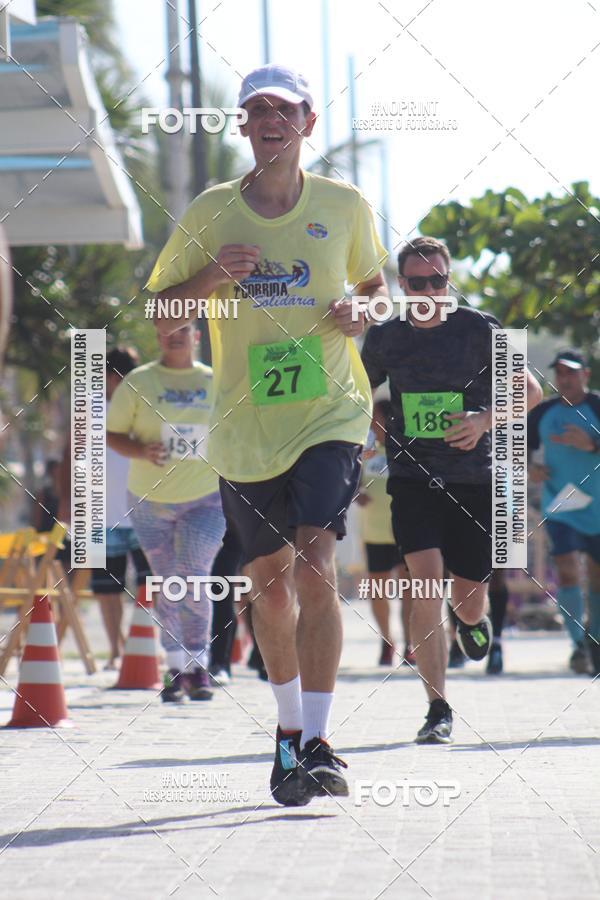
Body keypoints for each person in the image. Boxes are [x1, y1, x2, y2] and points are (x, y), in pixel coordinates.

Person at [147, 64, 388, 803]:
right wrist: (211, 277)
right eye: (256, 111)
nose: (270, 121)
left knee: (317, 562)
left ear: (307, 123)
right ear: (243, 128)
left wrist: (365, 311)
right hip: (246, 429)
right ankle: (287, 735)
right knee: (269, 585)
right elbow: (160, 316)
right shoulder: (213, 211)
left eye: (284, 109)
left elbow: (379, 291)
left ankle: (319, 739)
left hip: (330, 410)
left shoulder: (344, 205)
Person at [362, 236, 543, 743]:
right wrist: (360, 436)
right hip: (412, 478)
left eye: (437, 281)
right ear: (403, 285)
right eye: (417, 283)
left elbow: (530, 390)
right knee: (424, 582)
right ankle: (437, 708)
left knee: (467, 599)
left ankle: (471, 623)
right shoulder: (384, 339)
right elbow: (358, 395)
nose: (428, 290)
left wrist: (483, 420)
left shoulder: (479, 328)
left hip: (474, 480)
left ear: (449, 281)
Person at [107, 324, 225, 701]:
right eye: (165, 329)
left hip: (206, 497)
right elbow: (112, 433)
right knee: (168, 578)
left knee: (194, 573)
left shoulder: (217, 379)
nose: (174, 334)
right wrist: (141, 451)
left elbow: (240, 428)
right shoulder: (139, 381)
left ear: (196, 336)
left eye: (183, 328)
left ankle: (200, 665)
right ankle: (176, 668)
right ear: (156, 336)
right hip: (149, 499)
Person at [528, 349, 600, 676]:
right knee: (568, 571)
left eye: (571, 372)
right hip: (561, 505)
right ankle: (578, 647)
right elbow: (519, 450)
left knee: (596, 580)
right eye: (559, 373)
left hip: (597, 507)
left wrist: (592, 445)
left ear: (585, 375)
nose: (564, 379)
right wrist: (531, 468)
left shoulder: (597, 407)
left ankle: (594, 642)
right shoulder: (541, 413)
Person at [90, 348, 152, 670]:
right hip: (100, 513)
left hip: (142, 509)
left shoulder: (143, 407)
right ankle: (115, 650)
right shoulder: (89, 409)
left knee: (149, 582)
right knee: (106, 588)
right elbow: (73, 455)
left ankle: (142, 646)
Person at [356, 399, 414, 666]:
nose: (372, 423)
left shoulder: (408, 445)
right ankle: (387, 641)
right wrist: (358, 493)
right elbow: (352, 481)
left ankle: (411, 642)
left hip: (405, 528)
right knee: (378, 590)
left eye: (376, 418)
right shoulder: (365, 447)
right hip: (375, 531)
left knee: (409, 590)